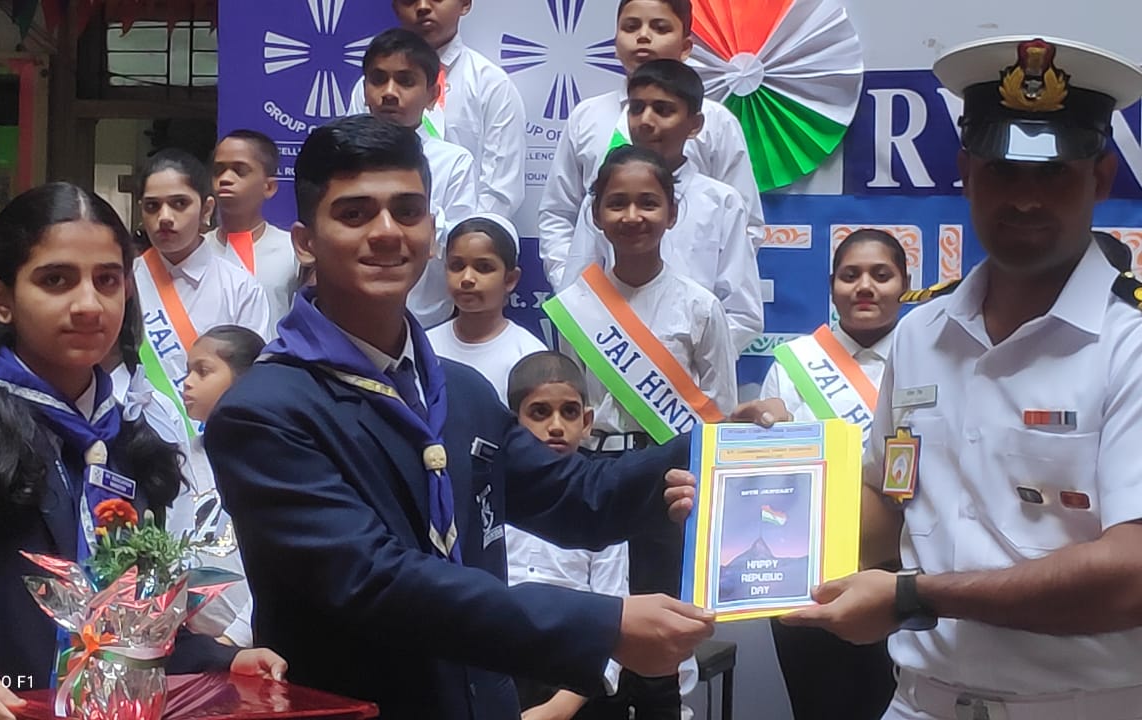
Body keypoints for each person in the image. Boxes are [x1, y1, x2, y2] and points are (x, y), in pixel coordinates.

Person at [204, 115, 789, 720]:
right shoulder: (264, 413)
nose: (387, 232)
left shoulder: (458, 390)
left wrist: (712, 450)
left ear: (431, 229)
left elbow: (578, 495)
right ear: (305, 241)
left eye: (407, 211)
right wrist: (601, 625)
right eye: (354, 214)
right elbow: (374, 580)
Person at [780, 37, 1142, 720]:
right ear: (966, 173)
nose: (1026, 199)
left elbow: (1132, 576)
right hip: (920, 701)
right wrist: (746, 505)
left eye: (1053, 173)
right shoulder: (921, 333)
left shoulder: (1132, 342)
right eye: (1003, 170)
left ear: (1100, 178)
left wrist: (915, 597)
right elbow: (890, 508)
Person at [0, 182, 285, 720]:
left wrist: (222, 658)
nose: (88, 305)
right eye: (56, 280)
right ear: (1, 299)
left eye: (107, 280)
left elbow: (122, 624)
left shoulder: (135, 443)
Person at [548, 144, 734, 719]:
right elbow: (565, 409)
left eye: (649, 203)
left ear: (672, 213)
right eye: (618, 203)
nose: (633, 216)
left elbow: (720, 415)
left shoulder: (700, 307)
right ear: (596, 214)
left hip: (668, 481)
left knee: (661, 639)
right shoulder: (574, 307)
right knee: (596, 626)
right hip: (593, 475)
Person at [761, 228, 906, 720]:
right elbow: (771, 468)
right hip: (805, 572)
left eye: (881, 275)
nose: (864, 286)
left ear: (904, 285)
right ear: (831, 286)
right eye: (850, 275)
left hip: (900, 571)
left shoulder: (925, 358)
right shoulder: (794, 365)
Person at [539, 0, 764, 292]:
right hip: (603, 308)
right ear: (615, 40)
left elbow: (744, 226)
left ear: (686, 46)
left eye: (659, 27)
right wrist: (570, 286)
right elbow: (559, 213)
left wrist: (702, 307)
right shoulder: (587, 118)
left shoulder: (716, 122)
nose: (643, 36)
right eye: (631, 27)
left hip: (692, 307)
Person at [566, 59, 762, 351]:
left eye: (663, 110)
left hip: (694, 370)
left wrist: (685, 358)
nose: (646, 121)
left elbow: (743, 314)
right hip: (611, 360)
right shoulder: (605, 198)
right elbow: (576, 294)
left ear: (694, 125)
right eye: (636, 108)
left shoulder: (722, 202)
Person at [504, 351, 630, 720]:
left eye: (569, 412)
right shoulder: (487, 494)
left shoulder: (605, 503)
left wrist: (560, 709)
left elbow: (616, 619)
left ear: (587, 422)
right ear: (511, 422)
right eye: (540, 412)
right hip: (497, 663)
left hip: (576, 680)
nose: (556, 426)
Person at [134, 149, 272, 430]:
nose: (164, 217)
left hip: (219, 436)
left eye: (179, 203)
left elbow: (252, 377)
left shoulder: (240, 288)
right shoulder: (123, 281)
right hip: (140, 434)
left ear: (207, 209)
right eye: (152, 206)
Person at [349, 0, 526, 219]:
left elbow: (500, 190)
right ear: (395, 8)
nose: (423, 6)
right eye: (409, 0)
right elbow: (352, 166)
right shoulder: (369, 88)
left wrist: (461, 233)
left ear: (464, 4)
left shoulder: (491, 85)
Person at [361, 27, 479, 326]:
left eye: (405, 81)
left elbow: (458, 249)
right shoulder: (341, 159)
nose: (389, 92)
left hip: (428, 323)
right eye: (378, 79)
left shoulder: (453, 163)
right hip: (351, 320)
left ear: (432, 95)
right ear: (364, 90)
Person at [169, 324, 267, 649]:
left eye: (203, 371)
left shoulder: (272, 459)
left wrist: (237, 636)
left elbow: (285, 565)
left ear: (246, 379)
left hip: (262, 639)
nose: (187, 382)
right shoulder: (174, 461)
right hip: (191, 646)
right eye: (187, 371)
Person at [427, 214, 545, 401]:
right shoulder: (424, 346)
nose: (467, 278)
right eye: (457, 266)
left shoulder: (529, 355)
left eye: (483, 268)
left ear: (510, 279)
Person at [206, 129, 300, 323]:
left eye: (239, 171)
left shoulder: (292, 251)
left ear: (269, 187)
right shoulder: (196, 250)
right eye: (218, 171)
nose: (225, 178)